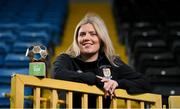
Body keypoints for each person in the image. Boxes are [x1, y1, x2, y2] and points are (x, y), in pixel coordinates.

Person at [52, 13, 151, 108]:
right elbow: (58, 74)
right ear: (77, 40)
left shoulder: (112, 62)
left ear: (101, 38)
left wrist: (117, 83)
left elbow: (144, 83)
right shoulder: (66, 58)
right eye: (82, 34)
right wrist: (95, 80)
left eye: (93, 34)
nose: (86, 38)